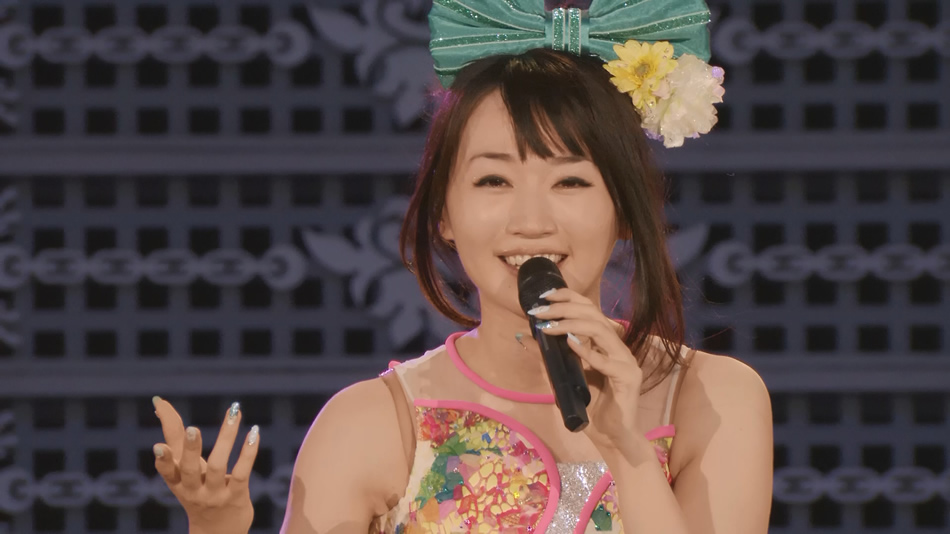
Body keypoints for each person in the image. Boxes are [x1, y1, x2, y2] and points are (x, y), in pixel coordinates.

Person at [151, 1, 773, 533]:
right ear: (443, 212)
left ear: (625, 210)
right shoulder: (371, 423)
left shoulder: (712, 401)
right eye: (494, 180)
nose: (531, 220)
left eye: (571, 181)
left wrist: (628, 452)